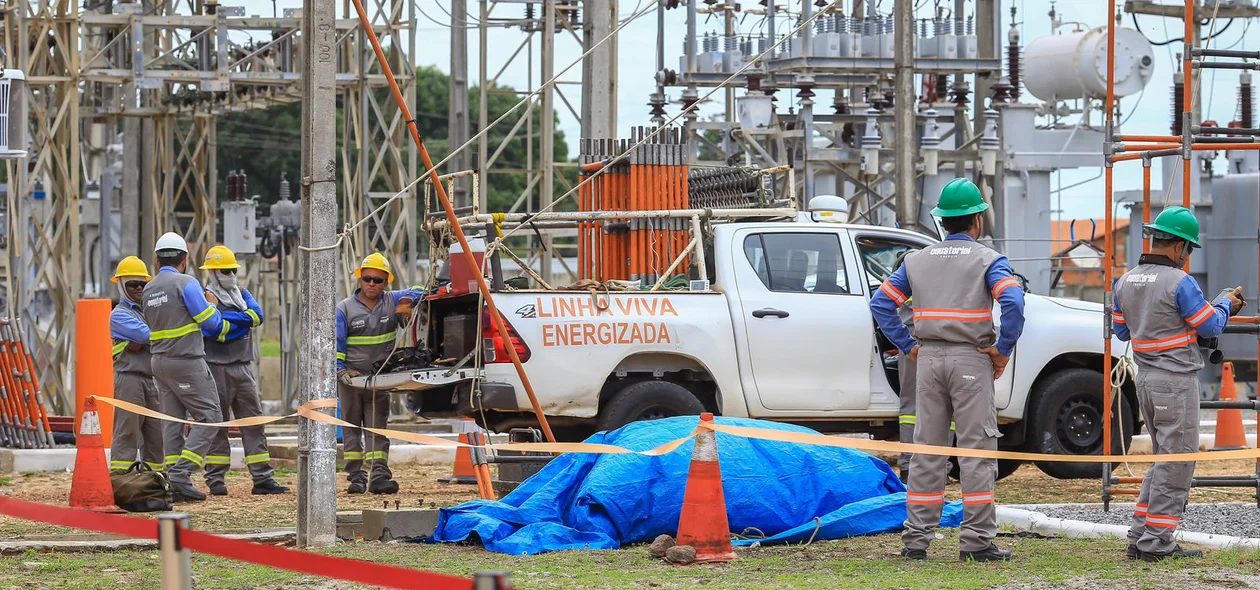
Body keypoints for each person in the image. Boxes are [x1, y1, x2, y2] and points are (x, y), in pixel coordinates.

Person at [870, 177, 1026, 562]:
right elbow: (1014, 303)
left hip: (928, 362)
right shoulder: (989, 259)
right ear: (977, 221)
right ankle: (976, 542)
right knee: (976, 452)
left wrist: (908, 347)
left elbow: (880, 304)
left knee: (927, 451)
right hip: (971, 360)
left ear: (943, 222)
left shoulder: (916, 260)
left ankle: (916, 541)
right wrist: (1002, 349)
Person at [1113, 206, 1241, 562]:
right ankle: (1158, 543)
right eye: (1189, 250)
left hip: (1146, 381)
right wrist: (1225, 304)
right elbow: (1210, 326)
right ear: (1180, 247)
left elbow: (1122, 330)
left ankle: (1141, 536)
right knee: (1177, 463)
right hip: (1175, 382)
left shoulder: (1125, 281)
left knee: (1161, 459)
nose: (1187, 257)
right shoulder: (1180, 282)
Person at [142, 232, 233, 502]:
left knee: (173, 421)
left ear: (157, 260)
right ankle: (182, 474)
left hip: (159, 363)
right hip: (186, 361)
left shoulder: (149, 288)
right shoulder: (186, 283)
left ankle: (173, 479)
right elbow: (211, 323)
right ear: (184, 259)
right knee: (211, 416)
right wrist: (214, 306)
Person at [198, 245, 290, 496]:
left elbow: (257, 316)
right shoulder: (204, 297)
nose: (230, 274)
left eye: (231, 270)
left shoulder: (242, 293)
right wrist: (241, 322)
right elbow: (213, 330)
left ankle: (262, 478)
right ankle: (215, 479)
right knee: (217, 425)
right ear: (213, 273)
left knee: (254, 422)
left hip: (243, 367)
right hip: (215, 369)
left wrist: (229, 322)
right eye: (224, 271)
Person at [335, 253, 423, 494]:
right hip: (352, 380)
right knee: (351, 428)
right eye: (367, 279)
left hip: (379, 379)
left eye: (377, 279)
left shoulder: (392, 301)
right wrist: (340, 370)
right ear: (360, 280)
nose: (371, 284)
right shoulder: (344, 309)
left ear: (386, 282)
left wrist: (409, 298)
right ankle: (356, 476)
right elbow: (337, 344)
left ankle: (379, 475)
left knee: (377, 426)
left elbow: (421, 289)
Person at [108, 256, 164, 472]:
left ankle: (154, 480)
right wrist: (152, 338)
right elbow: (151, 336)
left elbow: (151, 337)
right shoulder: (119, 315)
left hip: (152, 380)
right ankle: (121, 477)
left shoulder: (147, 310)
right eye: (133, 284)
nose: (139, 288)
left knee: (156, 433)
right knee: (127, 431)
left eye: (143, 284)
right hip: (129, 380)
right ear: (122, 285)